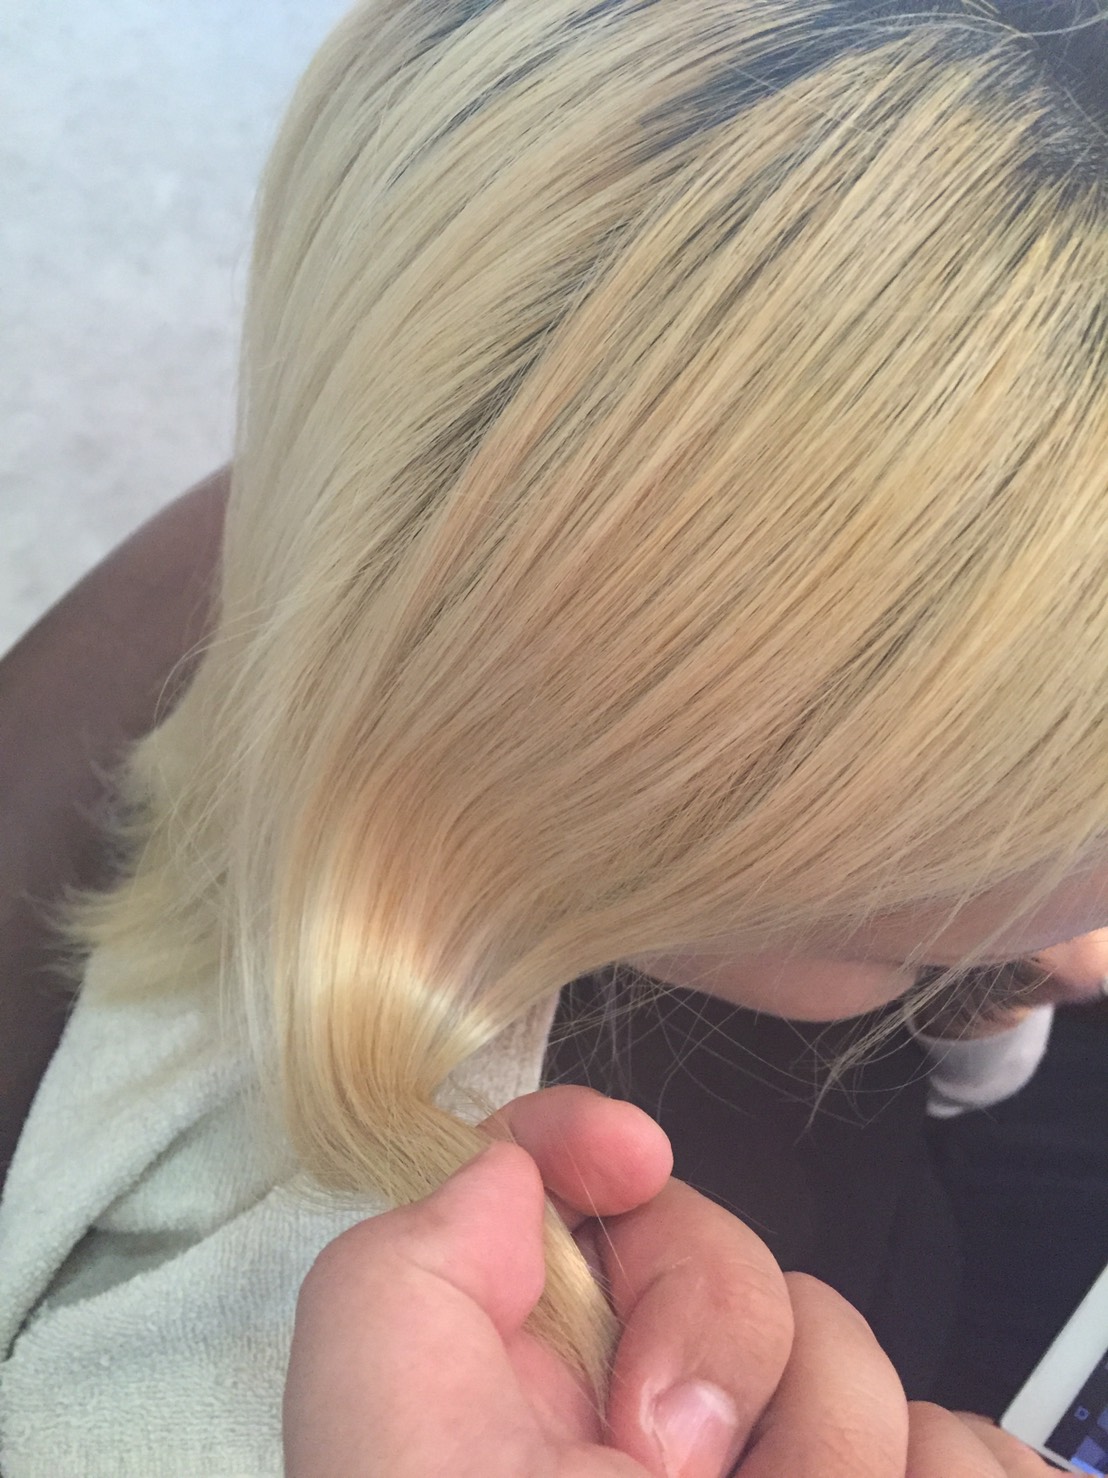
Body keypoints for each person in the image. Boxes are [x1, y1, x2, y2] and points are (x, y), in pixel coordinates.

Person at [3, 0, 1108, 1471]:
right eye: (913, 938)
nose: (1076, 936)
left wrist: (984, 975)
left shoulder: (375, 562)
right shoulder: (303, 1396)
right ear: (644, 789)